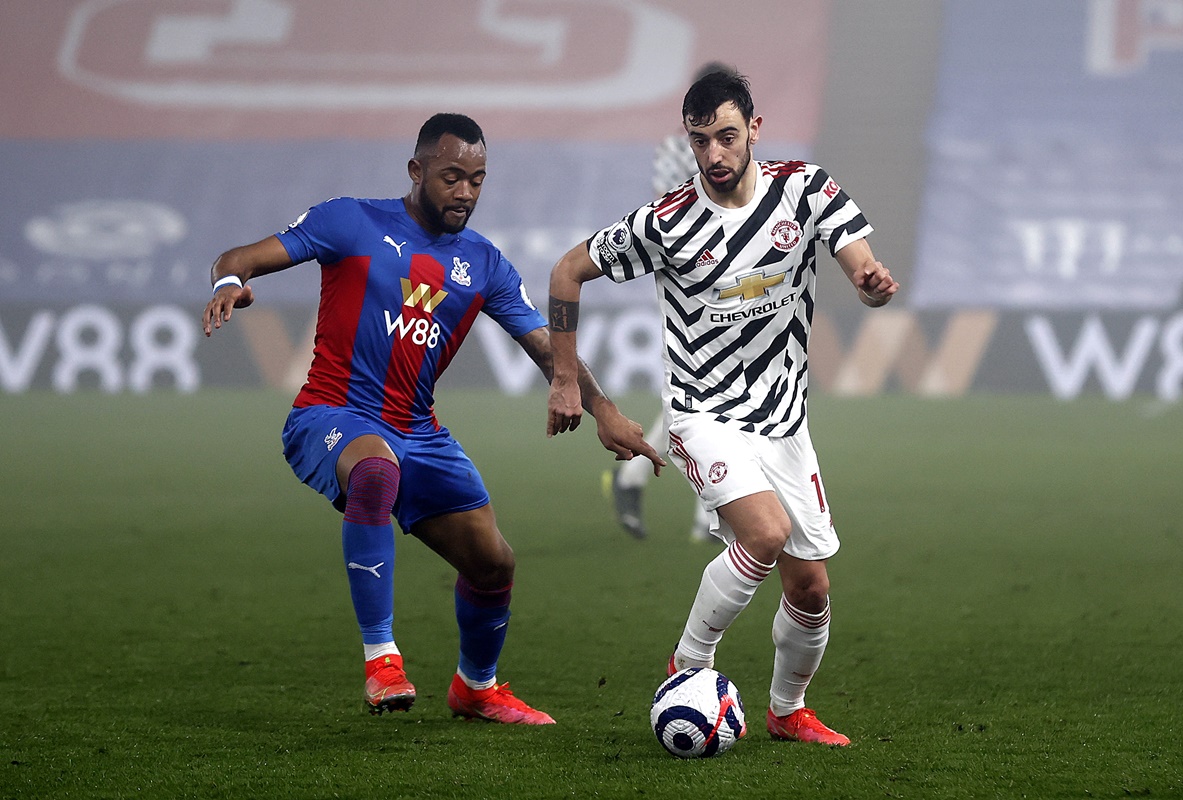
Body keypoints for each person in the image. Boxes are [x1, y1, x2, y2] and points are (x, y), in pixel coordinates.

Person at [202, 113, 661, 724]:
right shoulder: (349, 220)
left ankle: (476, 687)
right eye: (451, 177)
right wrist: (231, 281)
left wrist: (602, 409)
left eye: (477, 180)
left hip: (417, 431)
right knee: (373, 471)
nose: (465, 193)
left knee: (494, 563)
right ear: (416, 171)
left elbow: (549, 348)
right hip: (330, 415)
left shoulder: (484, 263)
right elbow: (240, 256)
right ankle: (381, 658)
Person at [545, 72, 898, 746]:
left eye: (727, 137)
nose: (715, 154)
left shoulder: (805, 189)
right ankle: (688, 666)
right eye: (701, 140)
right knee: (762, 534)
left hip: (785, 425)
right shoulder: (665, 223)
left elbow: (859, 261)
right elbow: (567, 270)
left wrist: (869, 280)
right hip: (704, 415)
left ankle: (786, 710)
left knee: (812, 590)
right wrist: (567, 380)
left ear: (755, 131)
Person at [604, 62, 733, 544]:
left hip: (729, 283)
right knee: (699, 391)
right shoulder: (676, 149)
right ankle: (709, 511)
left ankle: (640, 479)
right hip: (685, 282)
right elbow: (665, 209)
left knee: (708, 393)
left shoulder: (735, 147)